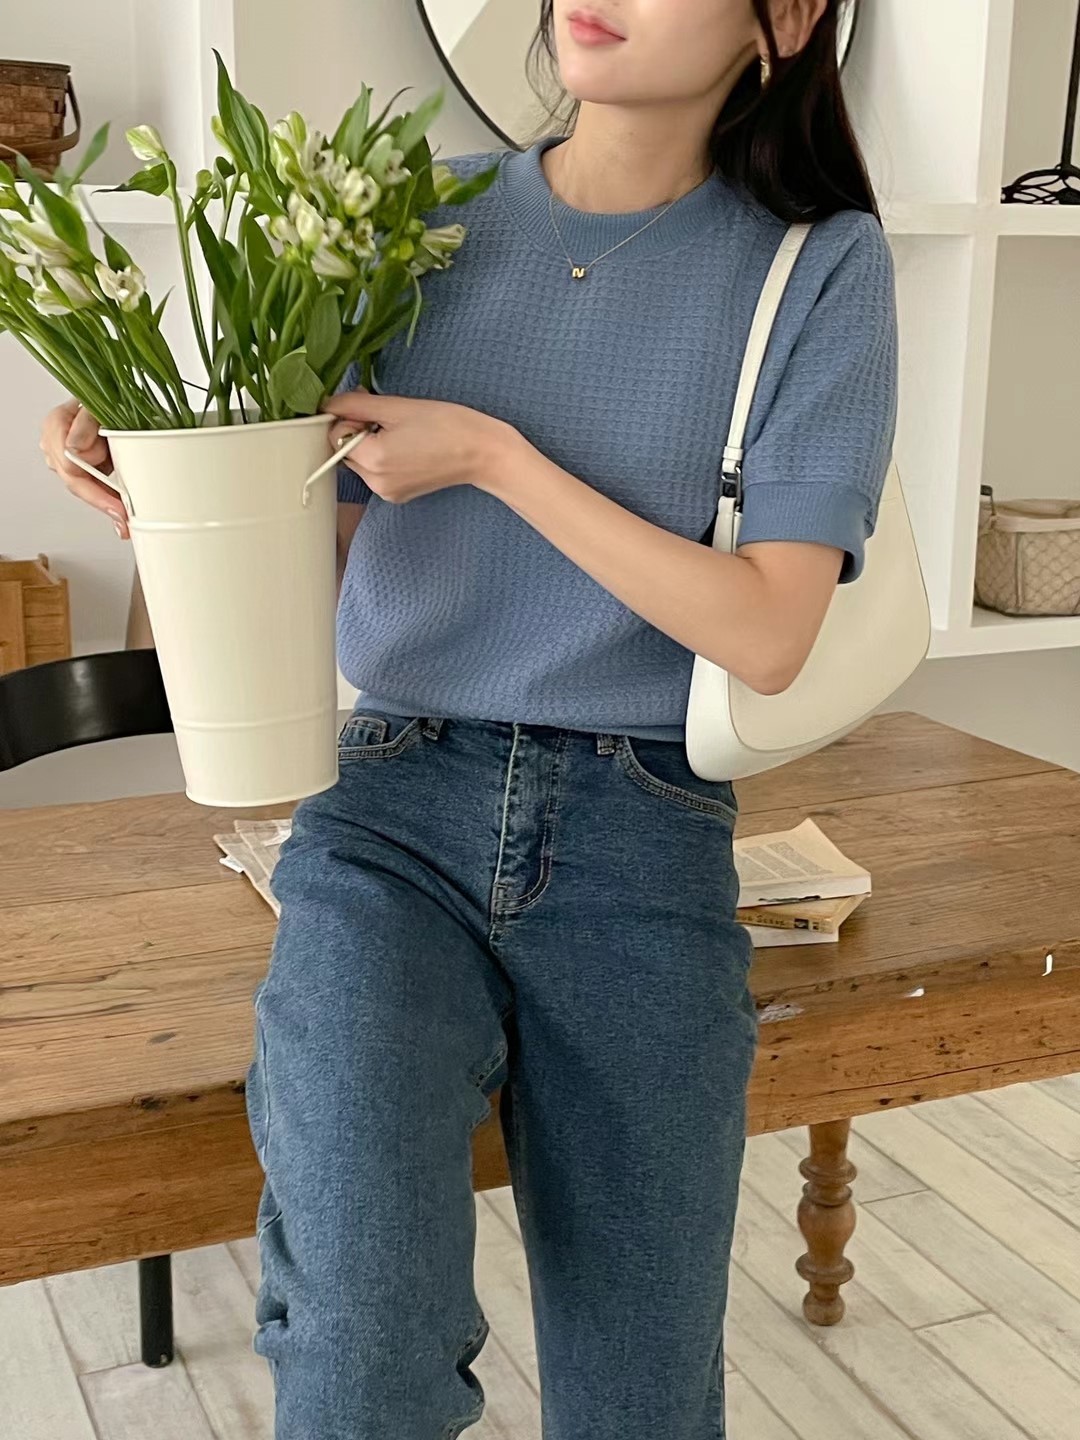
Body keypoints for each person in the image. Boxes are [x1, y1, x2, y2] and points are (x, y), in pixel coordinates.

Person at [39, 1, 897, 1434]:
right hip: (388, 818)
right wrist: (169, 480)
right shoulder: (409, 223)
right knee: (359, 1354)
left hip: (643, 839)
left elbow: (768, 627)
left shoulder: (818, 265)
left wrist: (498, 458)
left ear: (787, 19)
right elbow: (305, 552)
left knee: (639, 1396)